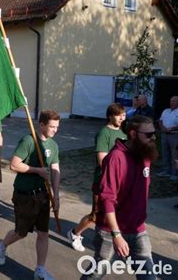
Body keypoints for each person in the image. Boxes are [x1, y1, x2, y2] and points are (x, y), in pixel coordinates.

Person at [80, 115, 158, 279]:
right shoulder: (116, 158)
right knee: (96, 273)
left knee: (149, 275)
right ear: (133, 134)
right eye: (148, 135)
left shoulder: (145, 154)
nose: (153, 138)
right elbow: (107, 198)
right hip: (111, 231)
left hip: (138, 229)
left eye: (153, 133)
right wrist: (116, 235)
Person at [0, 110, 61, 280]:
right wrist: (37, 171)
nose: (55, 130)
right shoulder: (29, 141)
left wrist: (56, 196)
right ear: (41, 125)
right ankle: (2, 245)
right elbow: (14, 165)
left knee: (43, 233)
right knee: (21, 232)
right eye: (52, 126)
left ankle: (40, 269)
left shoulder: (53, 145)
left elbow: (55, 171)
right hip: (24, 195)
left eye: (57, 127)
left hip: (43, 195)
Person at [68, 103, 126, 252]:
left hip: (119, 183)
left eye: (123, 115)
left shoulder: (124, 135)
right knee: (96, 214)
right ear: (110, 116)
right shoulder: (104, 133)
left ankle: (112, 239)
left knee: (115, 213)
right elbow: (102, 160)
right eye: (119, 115)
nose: (122, 118)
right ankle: (75, 233)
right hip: (103, 181)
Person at [157, 96, 178, 181]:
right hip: (164, 134)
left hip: (175, 135)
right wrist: (162, 127)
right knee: (165, 153)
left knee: (175, 155)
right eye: (171, 101)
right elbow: (160, 121)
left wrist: (172, 128)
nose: (172, 103)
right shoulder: (166, 111)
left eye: (174, 101)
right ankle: (166, 171)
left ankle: (175, 173)